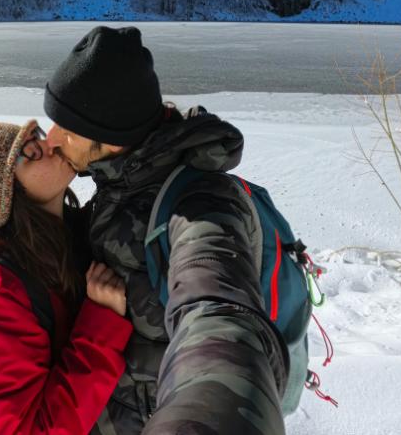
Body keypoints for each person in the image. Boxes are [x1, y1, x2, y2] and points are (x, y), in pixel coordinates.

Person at [44, 26, 289, 435]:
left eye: (67, 129)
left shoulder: (202, 205)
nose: (51, 140)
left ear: (112, 139)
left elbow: (215, 313)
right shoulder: (121, 184)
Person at [0, 119, 133, 434]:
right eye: (31, 152)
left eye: (39, 137)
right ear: (8, 193)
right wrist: (101, 324)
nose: (52, 144)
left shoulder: (72, 234)